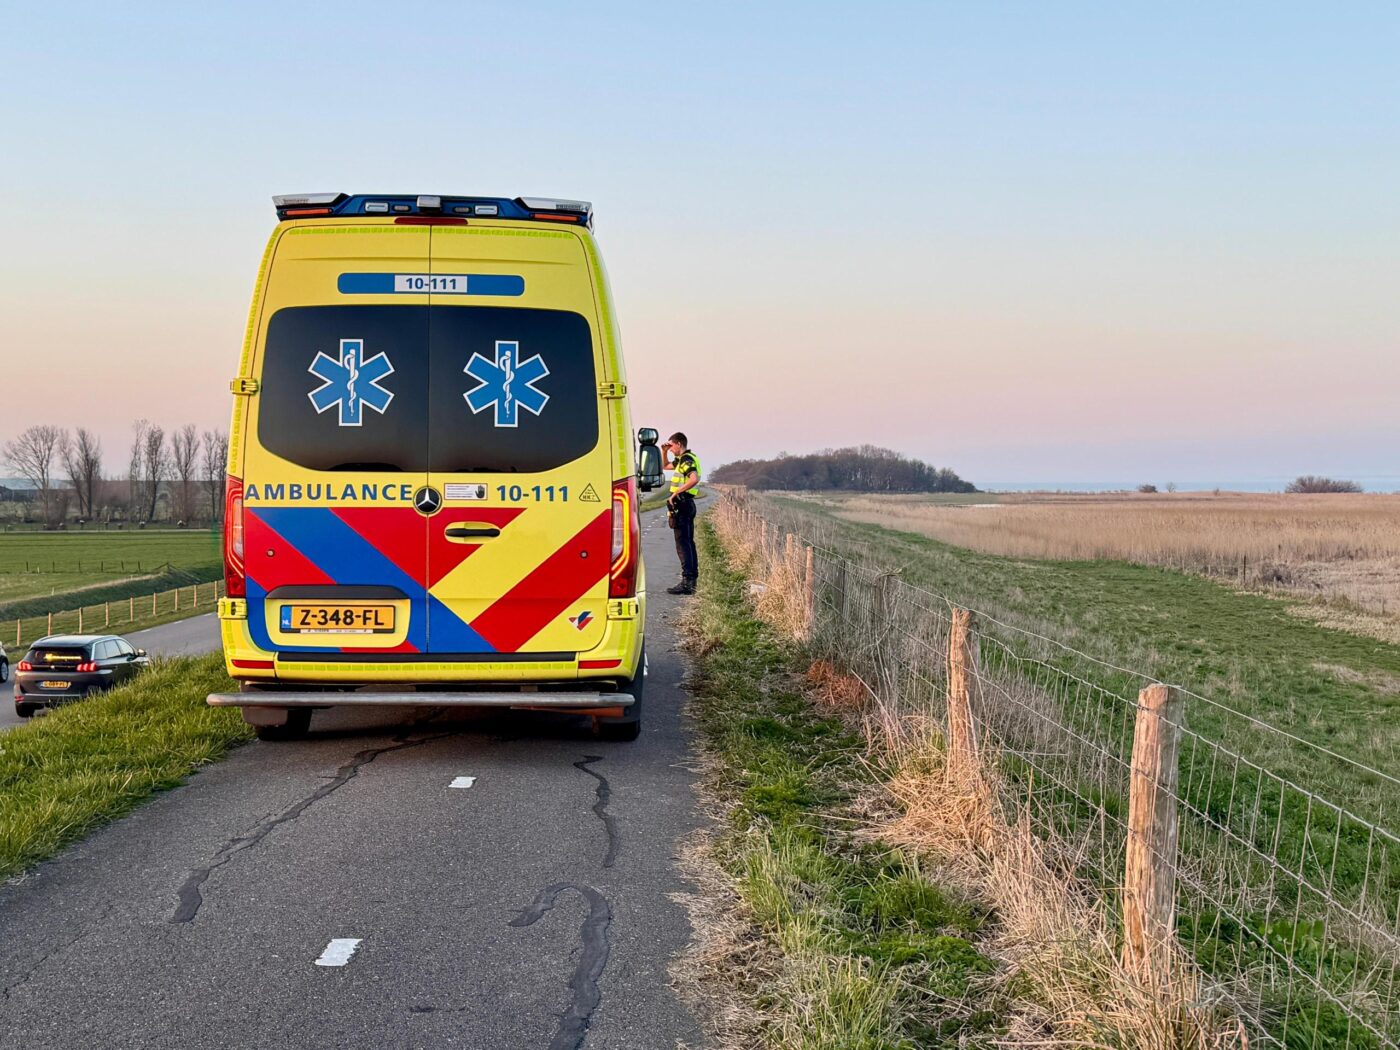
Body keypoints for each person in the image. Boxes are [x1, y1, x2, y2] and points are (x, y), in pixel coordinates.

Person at [663, 432, 702, 595]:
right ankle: (691, 581)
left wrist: (676, 493)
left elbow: (694, 478)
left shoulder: (686, 460)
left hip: (683, 504)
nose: (671, 449)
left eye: (671, 446)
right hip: (686, 504)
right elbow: (665, 467)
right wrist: (663, 452)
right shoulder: (683, 460)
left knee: (683, 544)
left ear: (679, 444)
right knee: (687, 543)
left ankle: (687, 582)